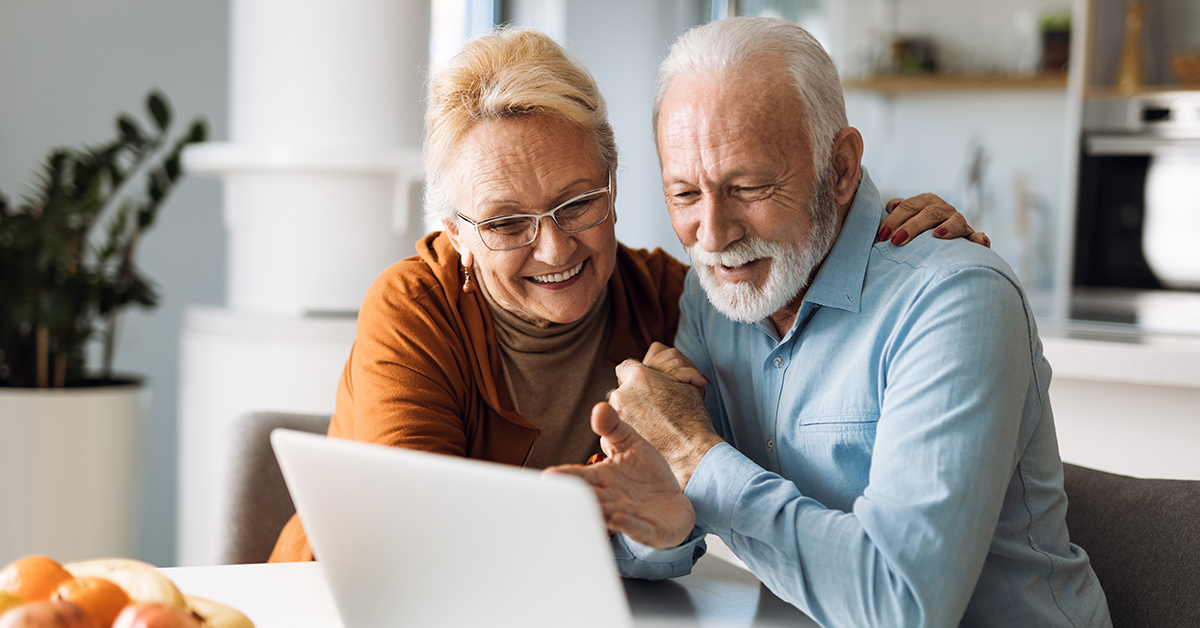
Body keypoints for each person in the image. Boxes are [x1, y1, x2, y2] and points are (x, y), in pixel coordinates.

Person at [269, 27, 983, 562]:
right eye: (506, 223)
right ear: (456, 232)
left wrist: (879, 220)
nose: (554, 249)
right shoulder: (413, 308)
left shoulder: (673, 300)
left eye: (577, 203)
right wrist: (616, 486)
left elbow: (793, 255)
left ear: (614, 187)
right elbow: (418, 543)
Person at [549, 17, 1112, 628]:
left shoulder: (954, 299)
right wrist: (656, 523)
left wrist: (696, 454)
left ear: (840, 169)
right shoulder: (715, 299)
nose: (711, 236)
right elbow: (672, 514)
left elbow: (903, 608)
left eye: (749, 186)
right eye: (684, 195)